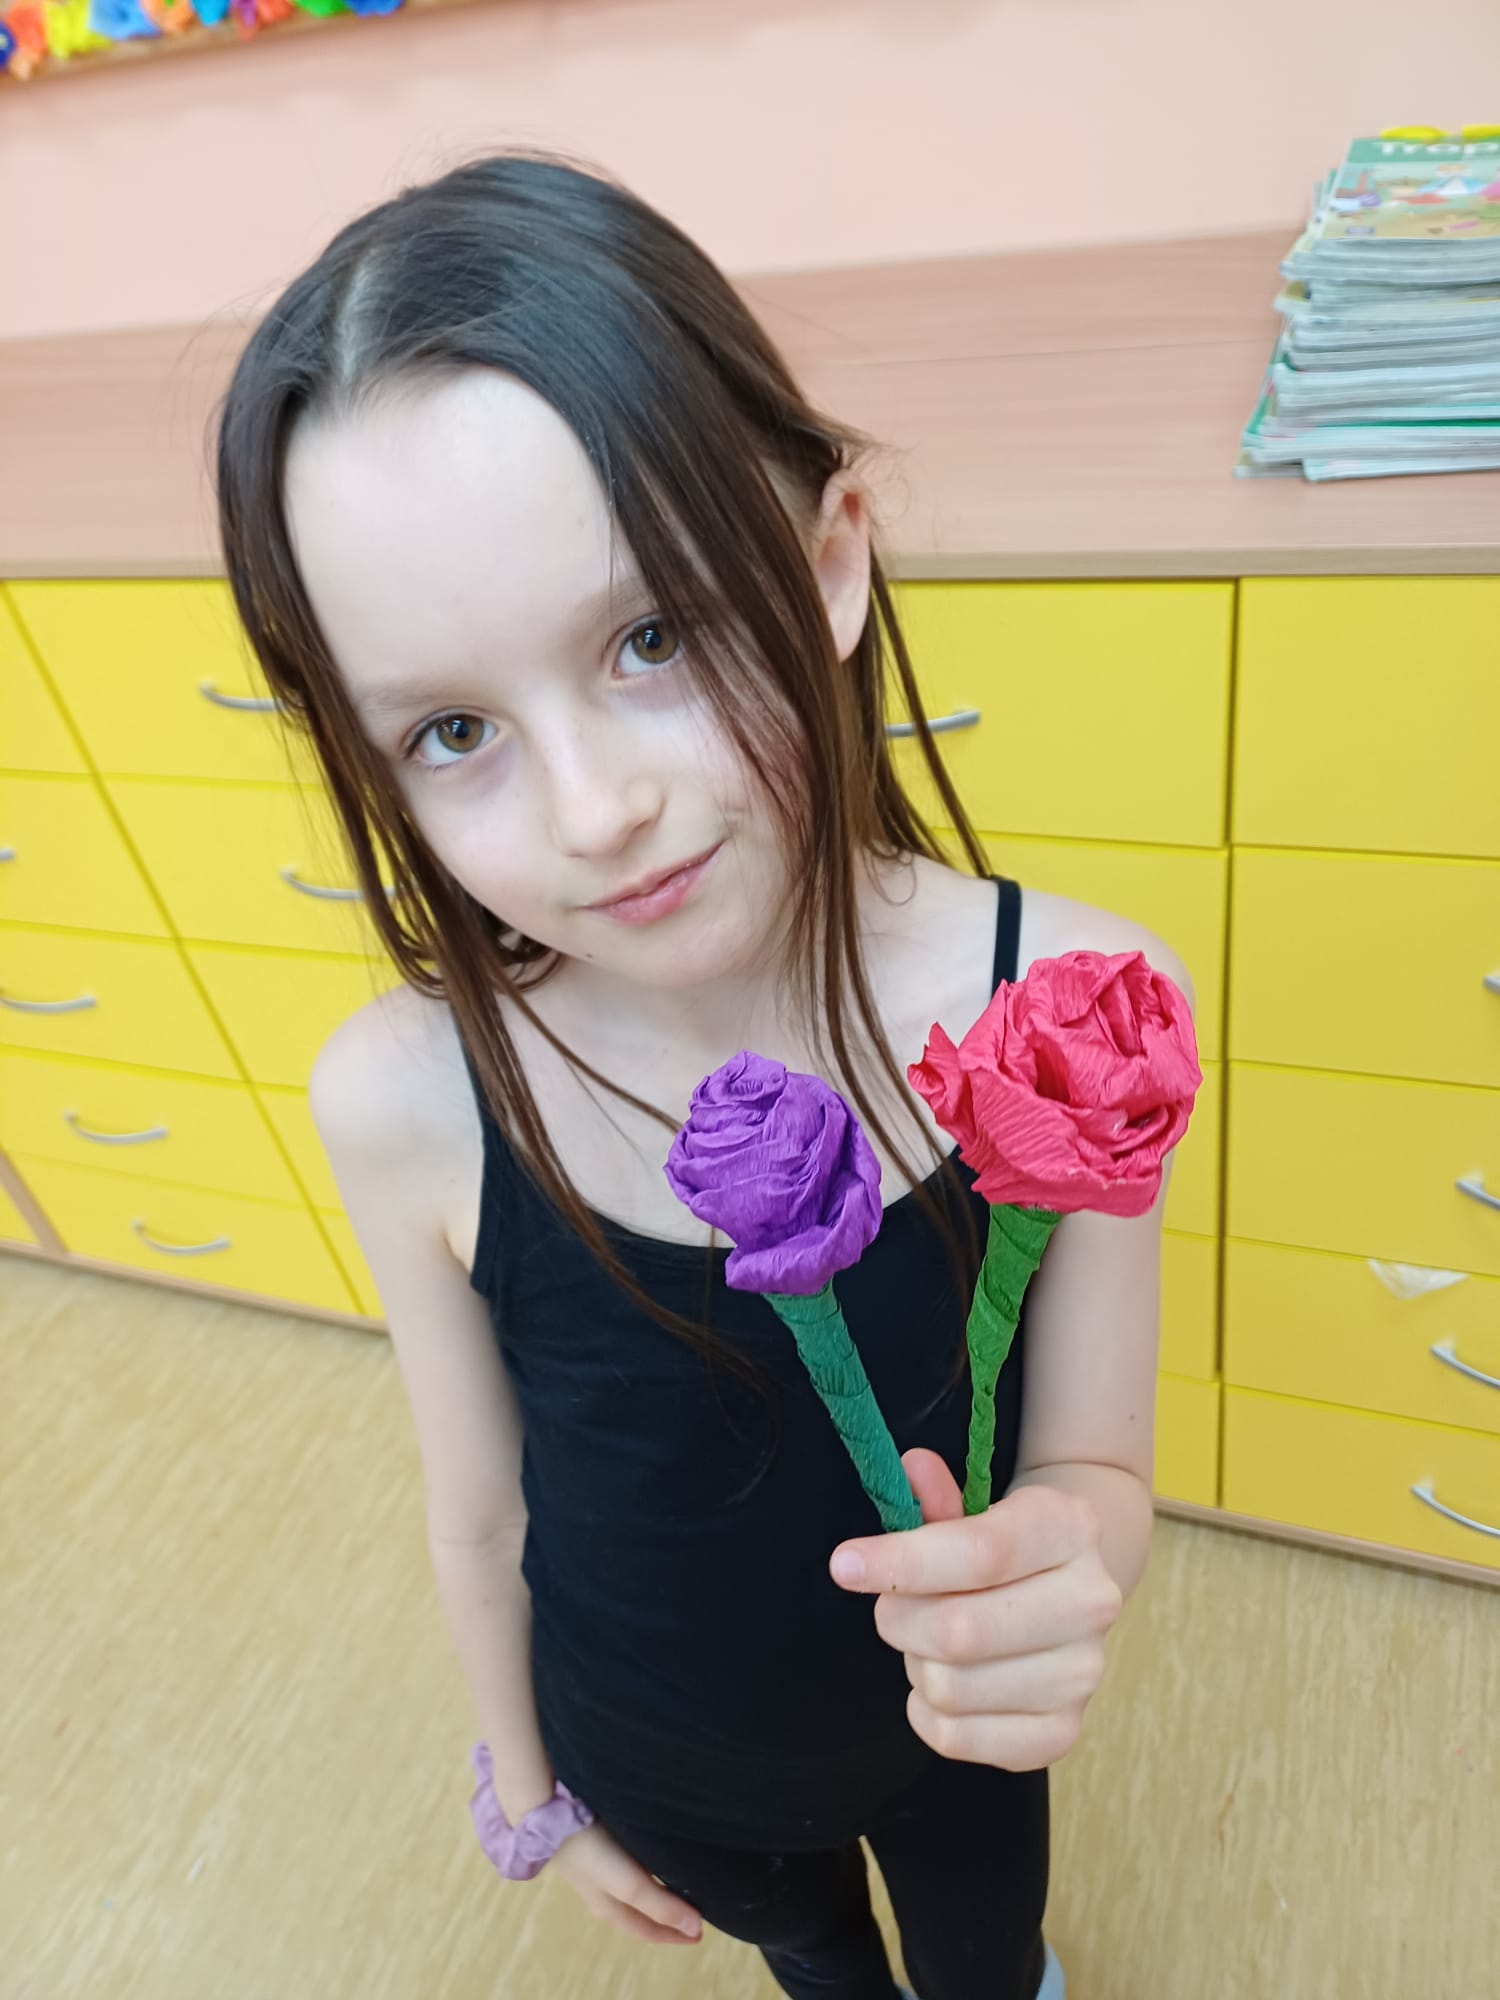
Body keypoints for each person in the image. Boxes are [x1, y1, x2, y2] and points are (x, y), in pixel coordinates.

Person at [216, 151, 1193, 2000]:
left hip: (958, 1746)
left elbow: (1089, 1456)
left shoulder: (1078, 1009)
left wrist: (1077, 1550)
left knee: (987, 1967)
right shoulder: (407, 1094)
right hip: (655, 1748)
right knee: (811, 1964)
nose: (598, 813)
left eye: (651, 636)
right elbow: (481, 1506)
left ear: (827, 562)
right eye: (452, 729)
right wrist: (528, 1787)